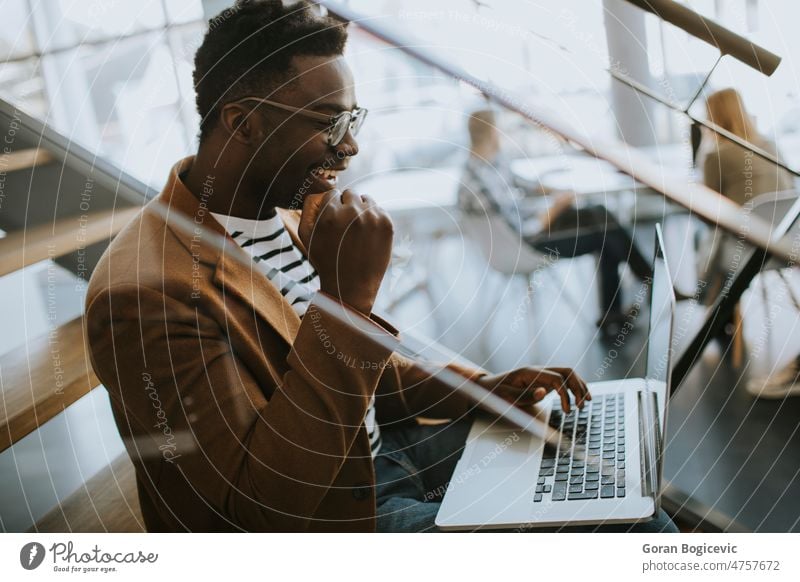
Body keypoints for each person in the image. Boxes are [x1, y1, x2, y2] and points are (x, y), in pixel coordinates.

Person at [85, 0, 674, 532]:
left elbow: (366, 377)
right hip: (337, 522)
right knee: (631, 533)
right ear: (244, 122)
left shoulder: (275, 210)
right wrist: (345, 301)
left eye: (353, 119)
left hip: (379, 454)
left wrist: (484, 391)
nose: (351, 147)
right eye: (327, 123)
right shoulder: (146, 294)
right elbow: (253, 511)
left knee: (605, 474)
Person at [458, 109, 654, 334]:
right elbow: (525, 230)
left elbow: (521, 184)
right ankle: (646, 282)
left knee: (599, 213)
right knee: (604, 233)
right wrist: (558, 206)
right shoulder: (479, 182)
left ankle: (630, 296)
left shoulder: (487, 164)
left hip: (532, 228)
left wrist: (556, 192)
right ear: (493, 133)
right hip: (527, 245)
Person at [701, 88, 799, 398]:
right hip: (787, 247)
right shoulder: (770, 145)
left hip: (745, 253)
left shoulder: (715, 155)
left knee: (711, 245)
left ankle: (715, 314)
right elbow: (792, 191)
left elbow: (709, 210)